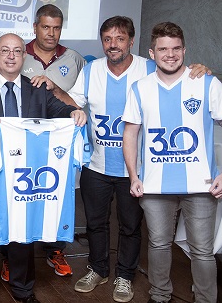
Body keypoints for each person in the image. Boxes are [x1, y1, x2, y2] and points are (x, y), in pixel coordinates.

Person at [44, 16, 210, 303]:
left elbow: (179, 77)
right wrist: (53, 88)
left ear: (132, 41)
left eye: (120, 39)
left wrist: (201, 70)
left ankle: (125, 275)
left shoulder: (149, 68)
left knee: (131, 226)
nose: (113, 45)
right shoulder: (92, 69)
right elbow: (74, 102)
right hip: (96, 164)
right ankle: (98, 270)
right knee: (95, 223)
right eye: (107, 39)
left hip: (136, 169)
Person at [0, 33, 86, 303]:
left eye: (16, 51)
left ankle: (24, 291)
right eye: (5, 50)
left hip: (26, 177)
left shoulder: (37, 88)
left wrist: (73, 112)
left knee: (23, 237)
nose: (11, 56)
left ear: (23, 56)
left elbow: (60, 110)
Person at [122, 22, 222, 303]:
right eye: (163, 49)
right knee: (158, 244)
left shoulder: (207, 82)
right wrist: (134, 176)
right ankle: (160, 295)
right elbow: (130, 134)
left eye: (176, 48)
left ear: (184, 50)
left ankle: (206, 299)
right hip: (154, 185)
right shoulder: (140, 88)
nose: (170, 54)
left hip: (201, 185)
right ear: (152, 54)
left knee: (202, 250)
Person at [7, 3, 85, 279]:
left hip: (59, 145)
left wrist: (55, 88)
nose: (51, 33)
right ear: (35, 27)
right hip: (22, 144)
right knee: (21, 196)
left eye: (56, 28)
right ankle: (11, 256)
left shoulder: (74, 58)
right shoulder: (18, 53)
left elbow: (80, 104)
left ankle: (55, 249)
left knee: (55, 195)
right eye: (45, 27)